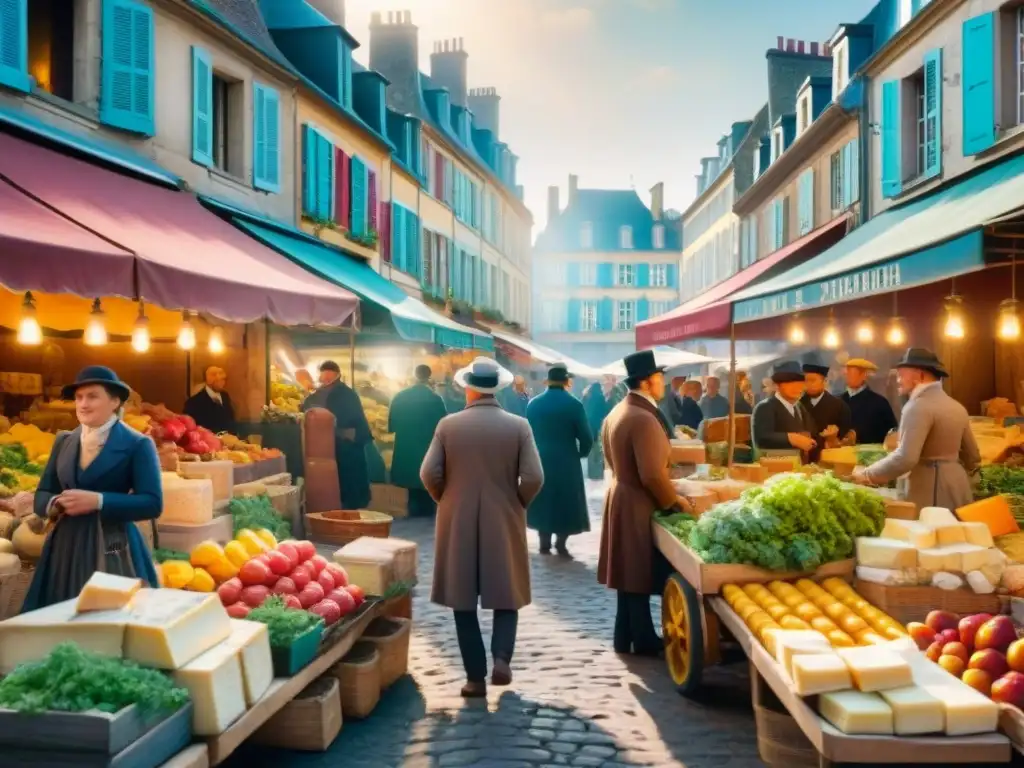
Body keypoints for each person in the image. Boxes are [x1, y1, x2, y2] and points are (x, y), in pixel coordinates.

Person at [421, 357, 544, 697]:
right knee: (507, 592)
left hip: (456, 516)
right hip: (503, 515)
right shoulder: (519, 426)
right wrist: (517, 501)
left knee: (462, 599)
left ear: (469, 388)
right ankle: (502, 659)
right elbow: (534, 476)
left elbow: (428, 473)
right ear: (497, 388)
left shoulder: (448, 425)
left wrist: (446, 499)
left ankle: (475, 679)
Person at [22, 366, 162, 612]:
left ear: (115, 401)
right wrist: (55, 503)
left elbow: (152, 502)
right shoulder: (64, 440)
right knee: (59, 614)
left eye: (92, 396)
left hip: (113, 544)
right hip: (65, 544)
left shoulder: (138, 444)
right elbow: (42, 494)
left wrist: (99, 501)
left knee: (111, 618)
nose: (83, 404)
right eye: (79, 397)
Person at [598, 350, 691, 655]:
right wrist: (674, 502)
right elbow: (651, 475)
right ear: (647, 382)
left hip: (622, 494)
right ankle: (643, 638)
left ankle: (624, 635)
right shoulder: (642, 418)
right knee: (636, 570)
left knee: (627, 570)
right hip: (637, 500)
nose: (662, 383)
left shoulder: (619, 411)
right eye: (659, 377)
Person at [853, 348, 980, 509]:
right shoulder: (957, 407)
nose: (898, 380)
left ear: (919, 375)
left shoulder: (916, 407)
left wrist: (867, 475)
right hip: (957, 489)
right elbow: (973, 456)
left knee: (929, 532)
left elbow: (906, 458)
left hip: (930, 491)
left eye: (901, 375)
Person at [526, 364, 594, 556]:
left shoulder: (533, 403)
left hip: (538, 457)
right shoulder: (574, 404)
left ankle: (544, 543)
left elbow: (526, 433)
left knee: (543, 499)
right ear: (566, 381)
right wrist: (581, 454)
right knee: (565, 500)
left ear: (547, 381)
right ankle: (561, 544)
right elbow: (586, 437)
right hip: (566, 459)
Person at [301, 361, 372, 510]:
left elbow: (345, 417)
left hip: (346, 442)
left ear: (335, 376)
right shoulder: (341, 392)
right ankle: (349, 506)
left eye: (328, 377)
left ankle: (349, 507)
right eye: (324, 376)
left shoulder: (343, 394)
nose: (325, 380)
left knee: (348, 477)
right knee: (348, 478)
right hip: (340, 442)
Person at [387, 365, 448, 518]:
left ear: (414, 375)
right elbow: (444, 427)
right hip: (428, 448)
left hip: (406, 449)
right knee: (427, 484)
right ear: (429, 377)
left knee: (411, 486)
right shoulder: (435, 399)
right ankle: (427, 514)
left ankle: (414, 512)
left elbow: (391, 425)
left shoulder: (400, 397)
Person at [750, 361, 818, 459]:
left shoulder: (799, 407)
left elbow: (812, 430)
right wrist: (791, 438)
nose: (797, 387)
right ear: (777, 385)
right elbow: (761, 439)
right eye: (790, 383)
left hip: (798, 466)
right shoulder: (765, 407)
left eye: (800, 383)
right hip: (774, 466)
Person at [801, 359, 854, 458]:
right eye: (805, 380)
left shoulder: (840, 406)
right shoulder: (797, 405)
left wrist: (833, 438)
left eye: (812, 380)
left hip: (830, 457)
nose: (808, 384)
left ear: (825, 382)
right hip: (802, 456)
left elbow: (846, 438)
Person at [841, 358, 898, 445]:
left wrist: (859, 435)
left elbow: (891, 432)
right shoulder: (838, 401)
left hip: (870, 455)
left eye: (851, 374)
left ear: (864, 375)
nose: (847, 377)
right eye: (846, 373)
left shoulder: (879, 402)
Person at [183, 365, 235, 434]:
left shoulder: (225, 396)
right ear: (207, 379)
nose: (221, 380)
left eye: (223, 378)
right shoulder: (193, 403)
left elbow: (230, 420)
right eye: (214, 375)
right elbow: (193, 431)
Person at [582, 380, 609, 480]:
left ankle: (591, 473)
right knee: (599, 450)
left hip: (588, 425)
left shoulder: (586, 397)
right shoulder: (600, 397)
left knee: (591, 449)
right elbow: (605, 410)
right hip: (598, 426)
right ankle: (598, 473)